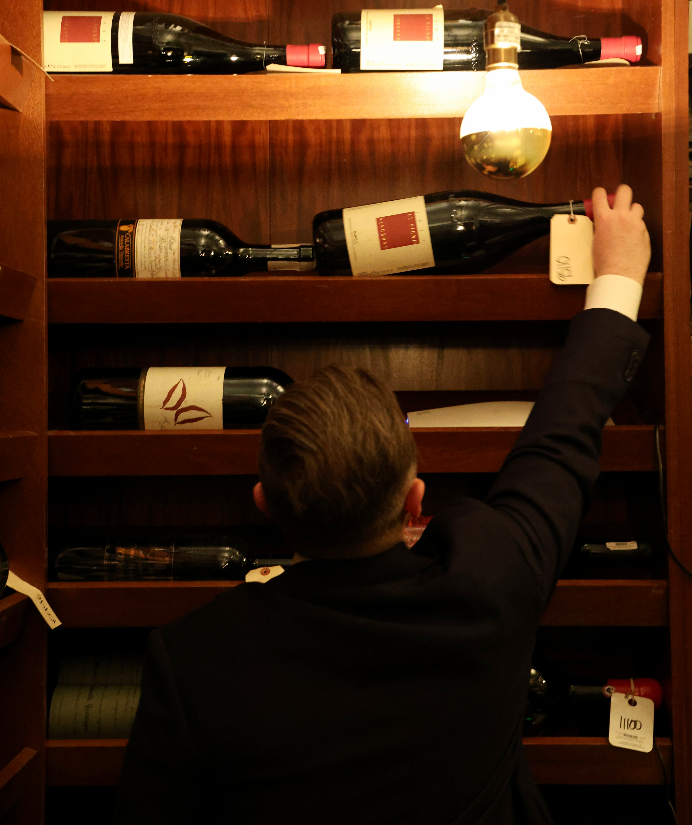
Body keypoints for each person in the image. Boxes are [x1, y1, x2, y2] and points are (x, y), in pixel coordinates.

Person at [113, 185, 651, 825]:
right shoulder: (489, 580)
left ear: (265, 503)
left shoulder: (194, 654)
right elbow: (563, 437)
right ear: (415, 501)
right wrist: (618, 276)